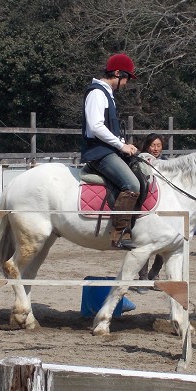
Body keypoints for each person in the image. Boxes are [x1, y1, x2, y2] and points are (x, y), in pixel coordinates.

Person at [81, 53, 140, 250]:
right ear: (117, 73)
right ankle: (120, 233)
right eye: (126, 79)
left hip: (108, 150)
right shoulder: (97, 93)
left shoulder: (107, 94)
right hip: (99, 153)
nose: (126, 84)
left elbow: (109, 128)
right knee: (131, 183)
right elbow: (96, 127)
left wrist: (124, 144)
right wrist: (120, 146)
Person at [136, 133, 166, 290]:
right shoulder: (142, 161)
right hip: (146, 206)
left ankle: (154, 273)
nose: (155, 149)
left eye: (158, 145)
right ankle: (143, 277)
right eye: (153, 145)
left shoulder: (165, 163)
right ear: (147, 146)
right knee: (146, 242)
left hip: (162, 207)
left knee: (165, 241)